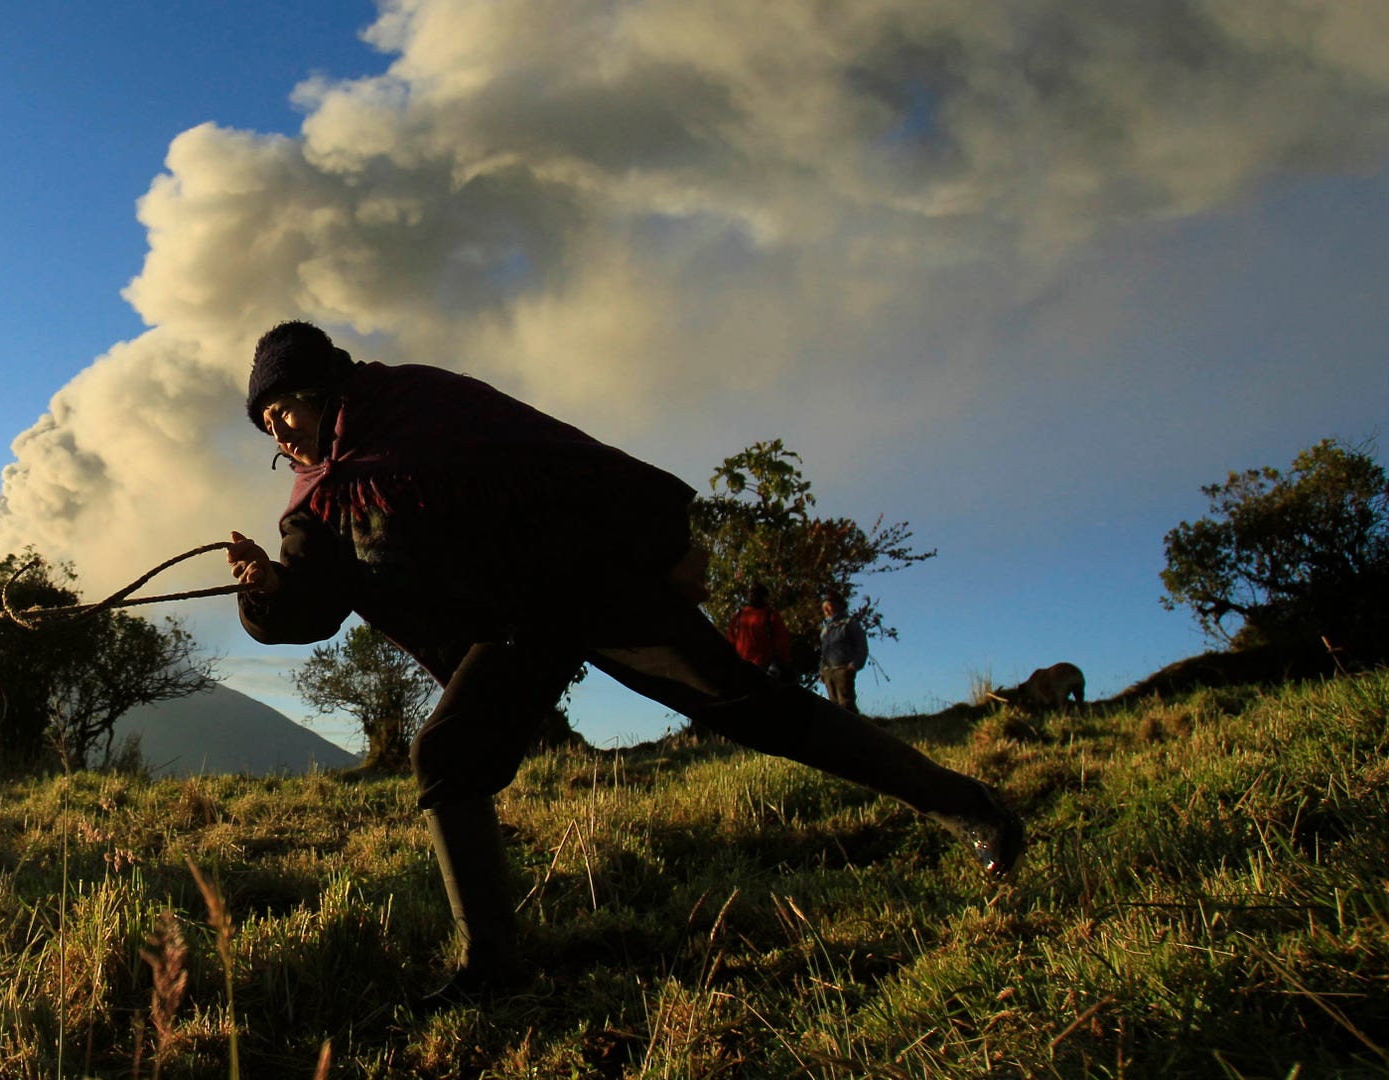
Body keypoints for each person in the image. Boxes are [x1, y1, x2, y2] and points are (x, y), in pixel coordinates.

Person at [225, 321, 1022, 1010]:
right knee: (448, 755)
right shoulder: (316, 500)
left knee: (752, 707)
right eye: (264, 423)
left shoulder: (421, 405)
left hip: (590, 584)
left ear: (323, 384)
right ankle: (493, 967)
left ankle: (967, 807)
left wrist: (662, 542)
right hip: (511, 632)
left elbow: (557, 457)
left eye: (282, 406)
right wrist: (266, 591)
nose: (278, 432)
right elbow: (311, 608)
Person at [726, 581, 791, 680]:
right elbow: (782, 647)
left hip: (746, 671)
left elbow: (729, 642)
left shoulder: (739, 616)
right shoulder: (770, 615)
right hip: (758, 671)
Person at [818, 593, 868, 713]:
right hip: (828, 671)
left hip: (843, 670)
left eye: (828, 607)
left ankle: (855, 725)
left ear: (837, 606)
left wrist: (854, 665)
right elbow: (824, 652)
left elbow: (861, 646)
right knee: (833, 706)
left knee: (846, 705)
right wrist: (822, 670)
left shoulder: (849, 624)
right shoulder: (825, 630)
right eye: (824, 608)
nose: (826, 610)